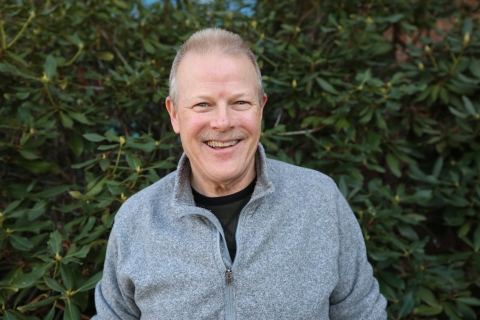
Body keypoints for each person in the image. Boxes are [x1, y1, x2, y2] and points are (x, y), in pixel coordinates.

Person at [93, 28, 387, 319]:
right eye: (202, 104)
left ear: (261, 108)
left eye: (240, 102)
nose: (222, 122)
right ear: (174, 114)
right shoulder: (136, 220)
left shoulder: (319, 200)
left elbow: (363, 313)